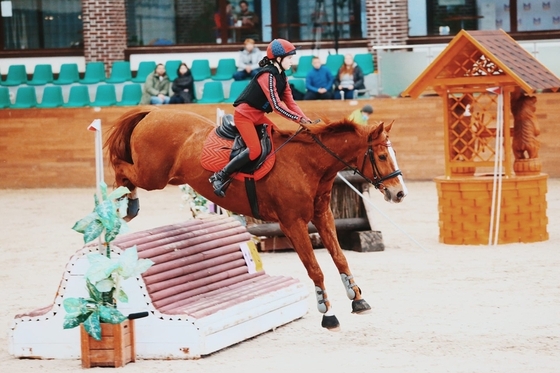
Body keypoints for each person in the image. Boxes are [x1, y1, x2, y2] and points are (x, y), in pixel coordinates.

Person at [209, 38, 313, 197]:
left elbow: (291, 103)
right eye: (290, 57)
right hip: (244, 117)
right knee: (255, 150)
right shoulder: (267, 76)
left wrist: (307, 121)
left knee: (277, 136)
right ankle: (220, 175)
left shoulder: (282, 76)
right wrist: (300, 121)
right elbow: (277, 106)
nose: (292, 61)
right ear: (278, 59)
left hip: (257, 116)